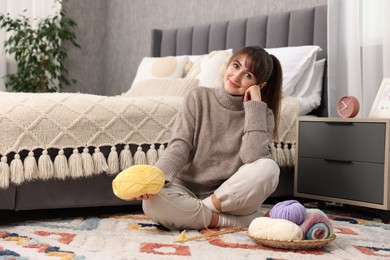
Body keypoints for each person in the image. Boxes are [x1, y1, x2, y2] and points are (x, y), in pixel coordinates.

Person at [137, 45, 282, 230]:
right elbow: (179, 145)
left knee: (269, 168)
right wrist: (156, 180)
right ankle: (235, 223)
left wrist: (254, 107)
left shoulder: (262, 113)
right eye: (236, 66)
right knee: (151, 203)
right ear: (228, 64)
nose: (236, 77)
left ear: (259, 86)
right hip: (186, 192)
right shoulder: (198, 97)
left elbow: (253, 158)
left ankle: (200, 213)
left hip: (231, 199)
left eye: (248, 75)